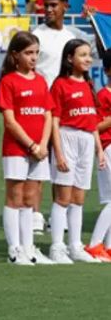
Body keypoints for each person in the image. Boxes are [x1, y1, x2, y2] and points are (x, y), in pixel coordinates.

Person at [0, 31, 54, 265]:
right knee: (15, 197)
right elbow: (10, 121)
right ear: (15, 55)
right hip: (17, 148)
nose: (33, 58)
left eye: (36, 53)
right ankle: (14, 250)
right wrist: (31, 145)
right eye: (28, 53)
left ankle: (29, 247)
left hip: (38, 148)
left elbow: (48, 115)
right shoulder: (9, 81)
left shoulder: (41, 80)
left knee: (31, 198)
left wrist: (42, 144)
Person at [48, 39, 104, 263]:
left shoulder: (90, 85)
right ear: (69, 58)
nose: (88, 59)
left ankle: (74, 245)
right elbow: (54, 121)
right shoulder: (60, 84)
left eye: (89, 55)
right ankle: (57, 247)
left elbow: (92, 122)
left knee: (79, 198)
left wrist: (99, 150)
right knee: (63, 197)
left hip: (87, 141)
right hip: (67, 137)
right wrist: (59, 153)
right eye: (82, 55)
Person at [31, 0, 79, 235]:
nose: (48, 10)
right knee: (39, 158)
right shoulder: (36, 35)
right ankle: (35, 215)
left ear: (65, 7)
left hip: (65, 108)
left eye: (53, 5)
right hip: (40, 107)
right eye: (46, 5)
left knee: (62, 162)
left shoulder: (70, 37)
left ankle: (57, 213)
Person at [88, 54, 111, 261]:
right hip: (108, 146)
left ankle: (108, 246)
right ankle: (95, 243)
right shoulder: (104, 95)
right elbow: (95, 125)